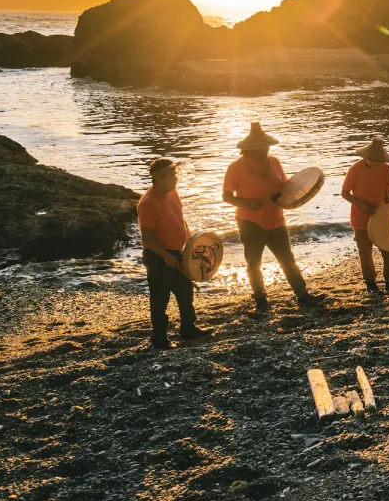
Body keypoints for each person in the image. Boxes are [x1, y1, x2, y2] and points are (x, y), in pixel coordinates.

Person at [222, 122, 326, 313]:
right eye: (260, 149)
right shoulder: (235, 168)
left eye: (266, 148)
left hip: (276, 219)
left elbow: (287, 187)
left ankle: (302, 295)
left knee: (287, 258)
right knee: (254, 263)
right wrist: (247, 203)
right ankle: (260, 300)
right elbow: (226, 196)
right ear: (248, 150)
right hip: (249, 222)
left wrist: (291, 196)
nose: (265, 151)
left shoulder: (275, 162)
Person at [137, 158, 212, 350]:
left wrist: (189, 243)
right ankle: (159, 338)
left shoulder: (173, 193)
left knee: (185, 292)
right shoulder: (148, 203)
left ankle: (188, 329)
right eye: (172, 175)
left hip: (177, 252)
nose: (176, 179)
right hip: (158, 256)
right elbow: (149, 236)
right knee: (160, 298)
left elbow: (181, 219)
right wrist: (165, 256)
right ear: (159, 178)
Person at [341, 138, 389, 297]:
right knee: (365, 254)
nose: (378, 163)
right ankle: (371, 284)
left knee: (388, 251)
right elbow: (344, 193)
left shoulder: (386, 169)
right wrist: (360, 205)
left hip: (381, 217)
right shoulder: (354, 169)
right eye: (375, 160)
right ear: (367, 157)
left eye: (380, 160)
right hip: (360, 219)